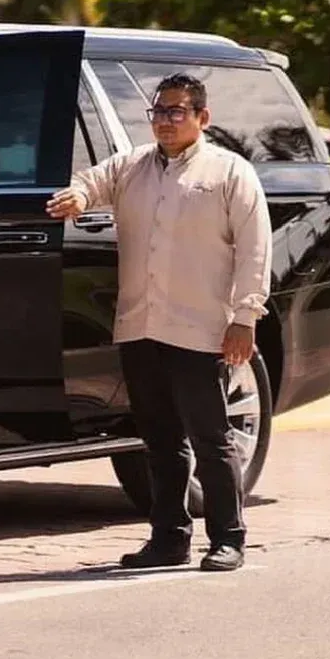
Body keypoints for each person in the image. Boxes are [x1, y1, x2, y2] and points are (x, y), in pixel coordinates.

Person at [46, 73, 272, 573]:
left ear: (201, 118)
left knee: (212, 439)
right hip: (140, 326)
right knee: (160, 442)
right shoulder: (133, 167)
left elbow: (255, 251)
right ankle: (168, 538)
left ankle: (228, 537)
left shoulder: (229, 173)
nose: (165, 122)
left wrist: (245, 318)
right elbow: (91, 181)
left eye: (176, 112)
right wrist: (79, 198)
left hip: (200, 328)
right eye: (158, 113)